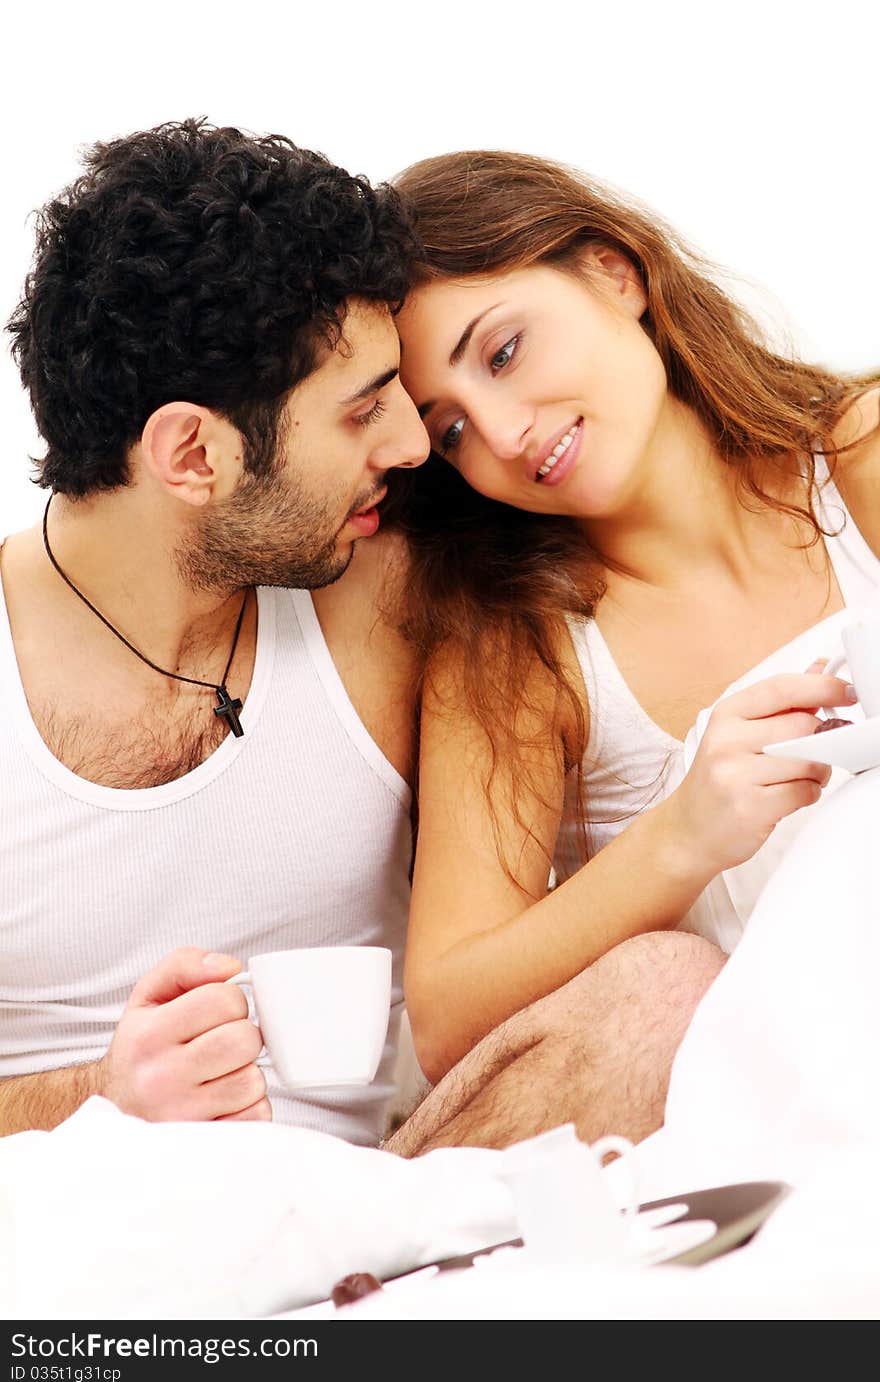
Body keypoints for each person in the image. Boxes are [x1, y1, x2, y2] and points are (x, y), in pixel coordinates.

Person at [0, 120, 723, 1156]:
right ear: (192, 452)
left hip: (392, 1203)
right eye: (362, 410)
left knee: (663, 994)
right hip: (84, 1230)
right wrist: (103, 1093)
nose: (413, 442)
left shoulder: (390, 588)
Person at [387, 148, 879, 1087]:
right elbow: (446, 1020)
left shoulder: (860, 461)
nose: (500, 434)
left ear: (615, 274)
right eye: (447, 429)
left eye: (502, 352)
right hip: (774, 1093)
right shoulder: (519, 650)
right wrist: (682, 837)